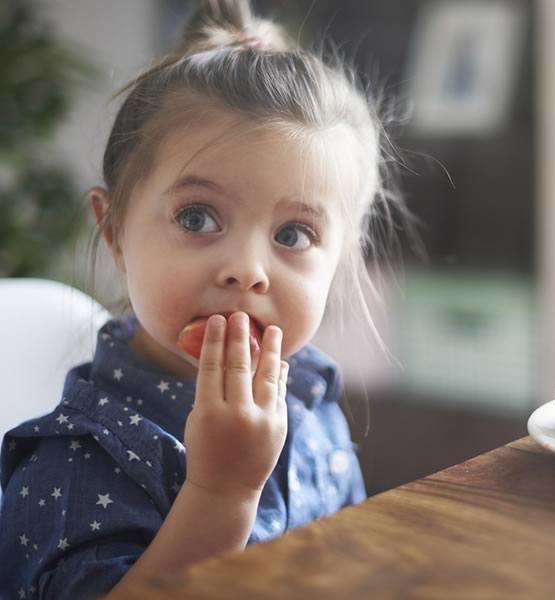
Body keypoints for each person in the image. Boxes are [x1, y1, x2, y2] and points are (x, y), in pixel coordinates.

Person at [0, 0, 415, 597]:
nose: (247, 271)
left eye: (293, 235)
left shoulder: (312, 396)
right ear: (114, 230)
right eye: (197, 218)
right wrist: (221, 494)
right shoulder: (76, 462)